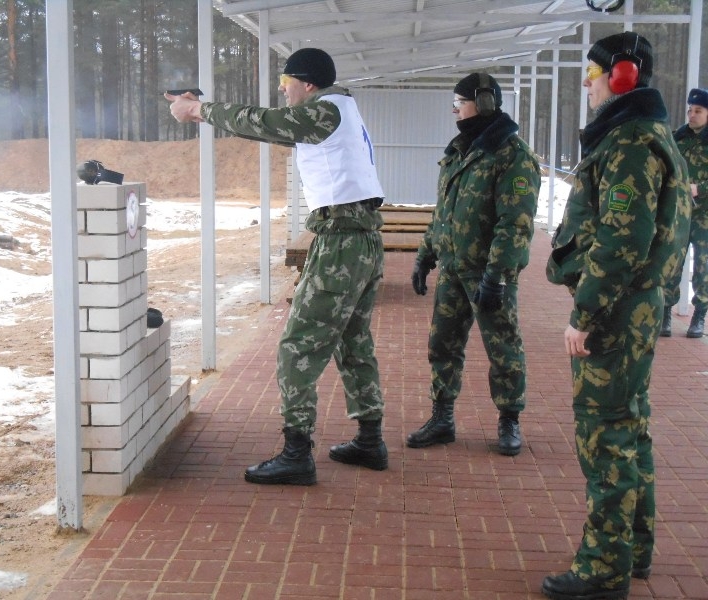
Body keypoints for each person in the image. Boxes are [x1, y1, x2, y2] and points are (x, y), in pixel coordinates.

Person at [166, 48, 387, 485]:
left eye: (286, 83)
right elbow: (269, 127)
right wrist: (202, 109)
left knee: (297, 348)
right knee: (353, 342)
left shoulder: (324, 111)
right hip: (360, 241)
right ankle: (369, 439)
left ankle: (297, 453)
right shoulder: (337, 110)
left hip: (341, 244)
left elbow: (265, 122)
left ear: (307, 84)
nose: (283, 91)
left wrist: (198, 110)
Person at [544, 32, 691, 600]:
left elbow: (622, 239)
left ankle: (604, 567)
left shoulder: (630, 142)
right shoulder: (647, 134)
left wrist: (584, 314)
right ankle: (634, 548)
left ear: (622, 75)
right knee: (631, 428)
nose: (586, 83)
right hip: (634, 305)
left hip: (615, 309)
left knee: (605, 436)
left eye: (593, 72)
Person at [407, 72, 540, 456]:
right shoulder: (458, 151)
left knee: (503, 347)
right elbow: (444, 212)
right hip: (452, 270)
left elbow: (515, 224)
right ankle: (442, 418)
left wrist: (496, 277)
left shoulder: (512, 155)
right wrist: (425, 255)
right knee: (442, 344)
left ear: (484, 103)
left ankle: (509, 419)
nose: (455, 111)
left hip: (488, 274)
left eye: (460, 103)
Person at [661, 87, 708, 338]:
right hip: (679, 212)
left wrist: (700, 188)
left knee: (704, 266)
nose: (692, 115)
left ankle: (699, 315)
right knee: (671, 262)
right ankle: (665, 313)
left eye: (698, 111)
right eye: (690, 110)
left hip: (705, 216)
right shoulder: (678, 138)